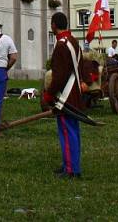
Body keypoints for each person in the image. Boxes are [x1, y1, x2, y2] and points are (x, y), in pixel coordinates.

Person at [44, 12, 89, 179]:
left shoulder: (62, 45)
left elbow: (60, 75)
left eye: (52, 23)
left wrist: (49, 94)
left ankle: (71, 169)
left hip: (66, 94)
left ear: (54, 25)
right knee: (72, 130)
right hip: (74, 91)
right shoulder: (73, 41)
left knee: (67, 131)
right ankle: (69, 164)